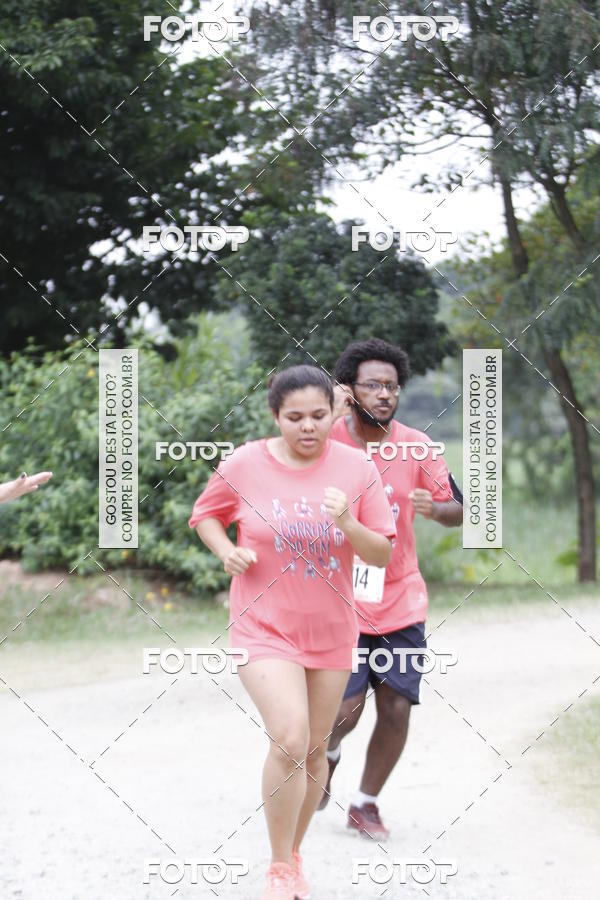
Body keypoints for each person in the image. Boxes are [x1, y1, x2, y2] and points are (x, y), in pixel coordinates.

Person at [188, 365, 396, 900]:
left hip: (330, 631)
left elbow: (381, 550)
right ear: (275, 417)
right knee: (290, 736)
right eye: (295, 417)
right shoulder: (245, 463)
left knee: (315, 750)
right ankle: (281, 868)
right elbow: (206, 516)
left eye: (319, 416)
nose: (308, 427)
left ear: (336, 413)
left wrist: (348, 523)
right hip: (263, 626)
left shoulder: (356, 468)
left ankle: (294, 854)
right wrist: (227, 551)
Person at [317, 337, 463, 840]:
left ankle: (366, 803)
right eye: (373, 385)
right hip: (337, 597)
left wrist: (434, 508)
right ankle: (327, 755)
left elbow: (458, 510)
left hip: (400, 596)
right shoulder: (327, 442)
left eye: (392, 386)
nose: (385, 394)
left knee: (396, 705)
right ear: (349, 391)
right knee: (344, 709)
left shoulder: (417, 446)